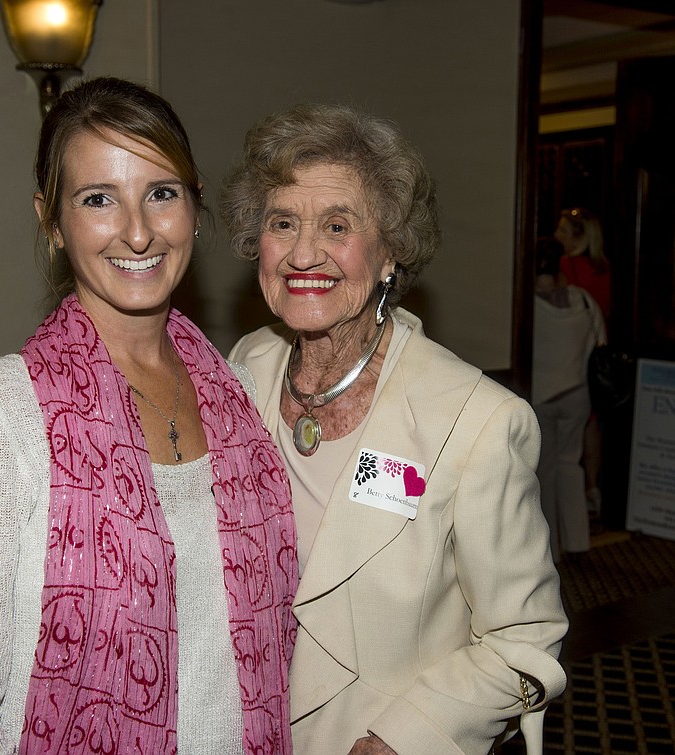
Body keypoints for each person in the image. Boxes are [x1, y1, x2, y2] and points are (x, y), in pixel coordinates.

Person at [0, 77, 297, 755]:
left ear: (195, 209)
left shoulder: (236, 397)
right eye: (98, 199)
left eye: (162, 193)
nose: (138, 231)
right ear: (52, 221)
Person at [222, 103, 568, 755]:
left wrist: (402, 737)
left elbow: (526, 639)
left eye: (337, 224)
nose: (304, 252)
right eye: (283, 222)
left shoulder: (477, 420)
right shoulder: (246, 369)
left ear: (389, 252)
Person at [532, 236, 604, 560]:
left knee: (545, 470)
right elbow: (601, 343)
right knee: (570, 464)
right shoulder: (585, 301)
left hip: (541, 396)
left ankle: (553, 548)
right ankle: (578, 541)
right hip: (579, 394)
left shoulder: (526, 305)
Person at [554, 207, 610, 517]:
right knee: (592, 424)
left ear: (577, 236)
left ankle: (569, 501)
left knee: (567, 441)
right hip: (596, 353)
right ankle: (593, 488)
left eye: (563, 231)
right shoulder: (602, 268)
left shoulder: (566, 266)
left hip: (572, 354)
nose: (557, 236)